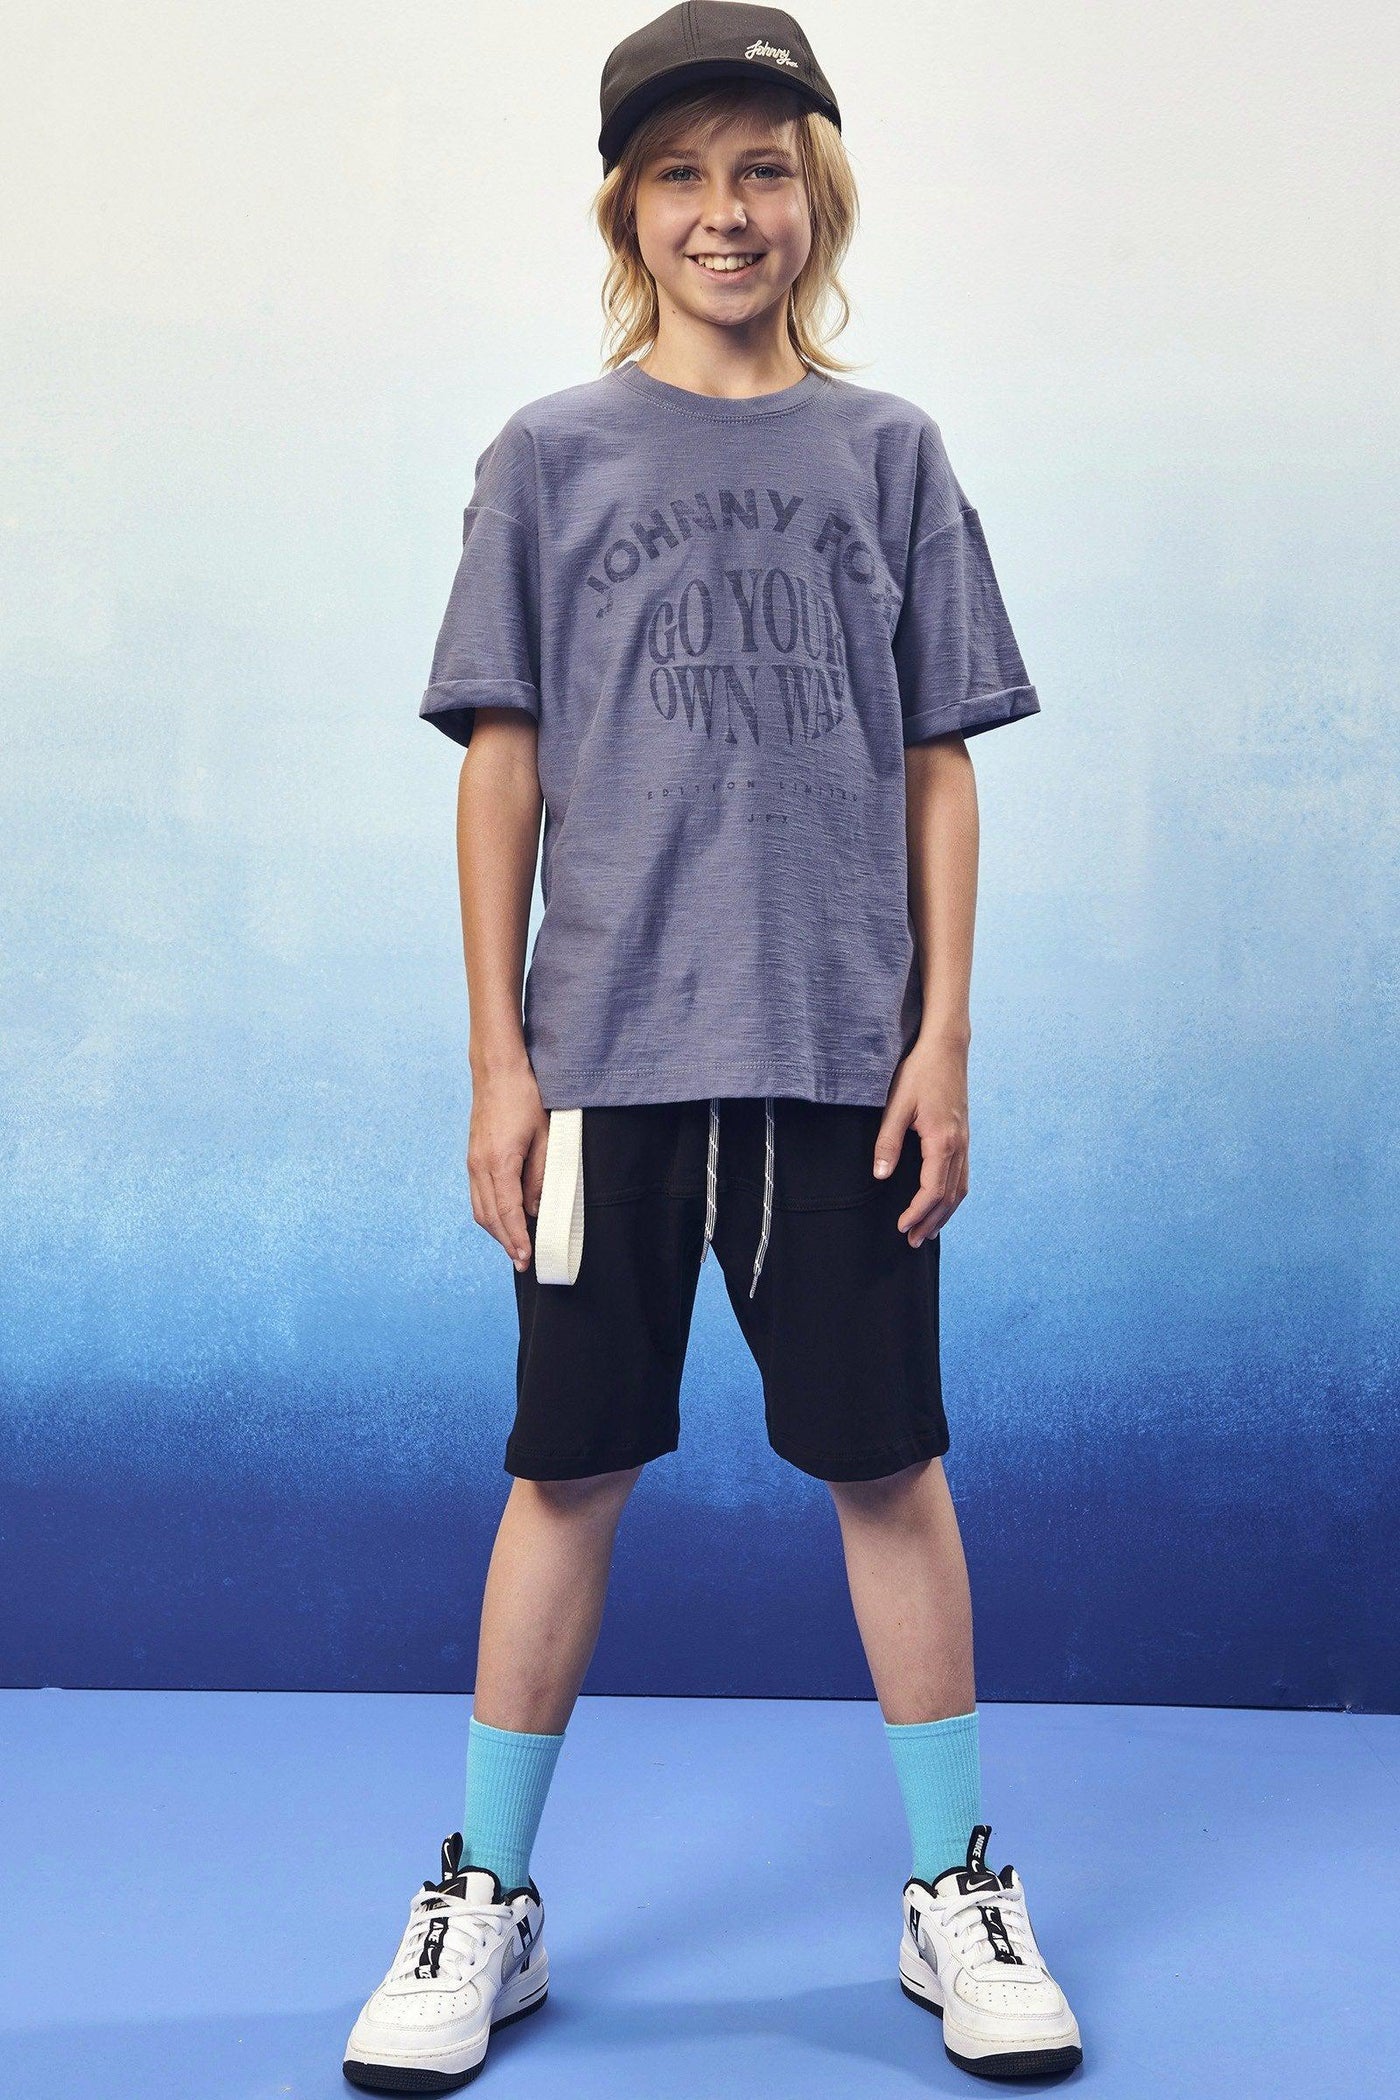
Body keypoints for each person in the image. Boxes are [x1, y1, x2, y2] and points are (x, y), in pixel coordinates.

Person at [342, 3, 1082, 2088]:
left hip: (843, 1056)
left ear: (815, 196)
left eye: (762, 167)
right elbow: (500, 772)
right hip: (604, 1060)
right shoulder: (548, 458)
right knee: (564, 1467)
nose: (723, 210)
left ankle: (953, 1888)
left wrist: (944, 1035)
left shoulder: (891, 453)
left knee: (888, 1465)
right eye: (681, 173)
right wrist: (499, 1063)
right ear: (627, 209)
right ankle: (486, 1896)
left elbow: (939, 765)